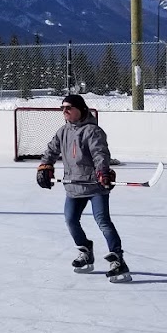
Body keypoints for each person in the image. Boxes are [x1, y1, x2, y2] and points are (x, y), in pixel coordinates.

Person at [36, 93, 131, 281]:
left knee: (103, 222)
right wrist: (45, 166)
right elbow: (51, 150)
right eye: (63, 108)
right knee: (71, 220)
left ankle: (118, 260)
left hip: (95, 186)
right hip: (73, 186)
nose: (65, 111)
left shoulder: (93, 131)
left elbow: (100, 153)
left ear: (81, 109)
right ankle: (86, 250)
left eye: (69, 108)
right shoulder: (63, 131)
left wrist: (102, 171)